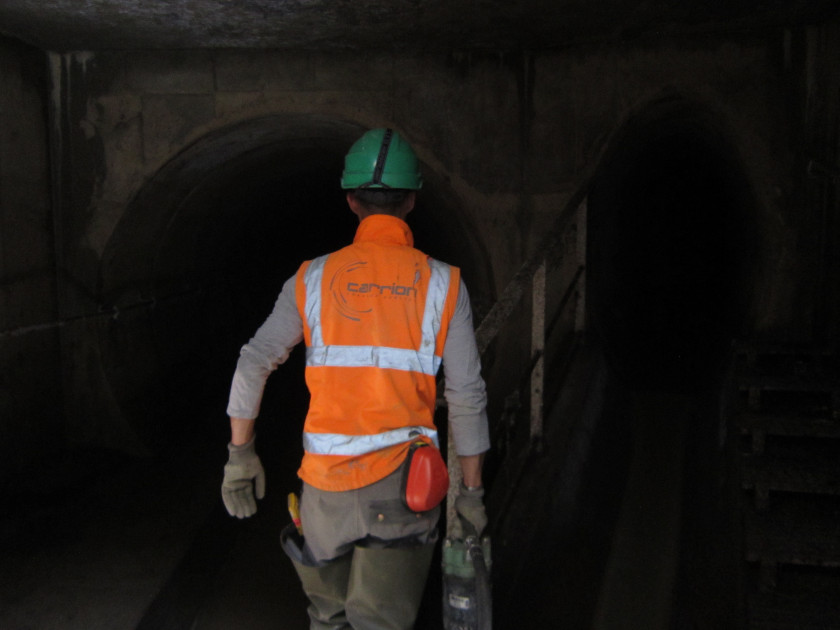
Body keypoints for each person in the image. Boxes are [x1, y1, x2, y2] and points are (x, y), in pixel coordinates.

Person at [221, 127, 490, 629]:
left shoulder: (311, 278)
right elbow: (468, 396)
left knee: (328, 620)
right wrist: (470, 498)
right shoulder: (444, 283)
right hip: (404, 491)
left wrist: (241, 456)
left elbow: (253, 361)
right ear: (412, 200)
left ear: (351, 201)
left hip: (326, 494)